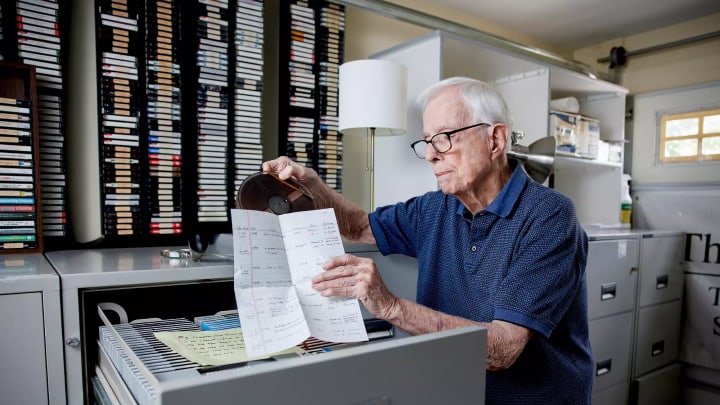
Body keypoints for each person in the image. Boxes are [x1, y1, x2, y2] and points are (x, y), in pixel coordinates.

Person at [262, 77, 592, 404]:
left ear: (495, 140)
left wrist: (389, 305)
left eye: (445, 137)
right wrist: (314, 187)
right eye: (427, 141)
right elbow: (360, 227)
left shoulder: (550, 216)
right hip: (457, 391)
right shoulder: (434, 208)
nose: (431, 155)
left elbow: (503, 349)